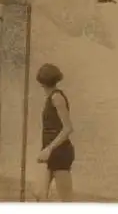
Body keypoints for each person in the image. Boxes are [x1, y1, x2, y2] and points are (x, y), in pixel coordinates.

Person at [35, 63, 74, 202]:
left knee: (66, 199)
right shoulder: (51, 97)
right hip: (49, 151)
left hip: (60, 152)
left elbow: (68, 128)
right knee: (39, 193)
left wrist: (49, 149)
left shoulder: (57, 97)